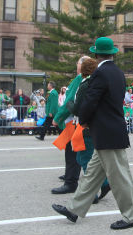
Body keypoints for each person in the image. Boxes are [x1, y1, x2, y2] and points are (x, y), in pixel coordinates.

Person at [52, 37, 133, 231]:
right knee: (92, 175)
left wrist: (81, 118)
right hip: (110, 131)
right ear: (112, 53)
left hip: (106, 132)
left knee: (119, 177)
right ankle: (75, 210)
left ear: (96, 54)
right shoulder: (117, 72)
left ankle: (132, 216)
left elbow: (91, 100)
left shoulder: (100, 73)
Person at [66, 57, 109, 203]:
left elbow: (79, 108)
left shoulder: (85, 84)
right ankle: (104, 184)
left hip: (85, 126)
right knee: (85, 157)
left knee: (85, 159)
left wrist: (70, 105)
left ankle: (93, 193)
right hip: (92, 126)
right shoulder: (96, 82)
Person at [51, 57, 89, 193]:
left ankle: (71, 181)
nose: (76, 65)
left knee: (72, 152)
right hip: (76, 121)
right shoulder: (84, 78)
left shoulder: (80, 78)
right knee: (75, 152)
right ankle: (70, 176)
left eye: (78, 63)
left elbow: (69, 100)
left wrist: (58, 117)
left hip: (74, 121)